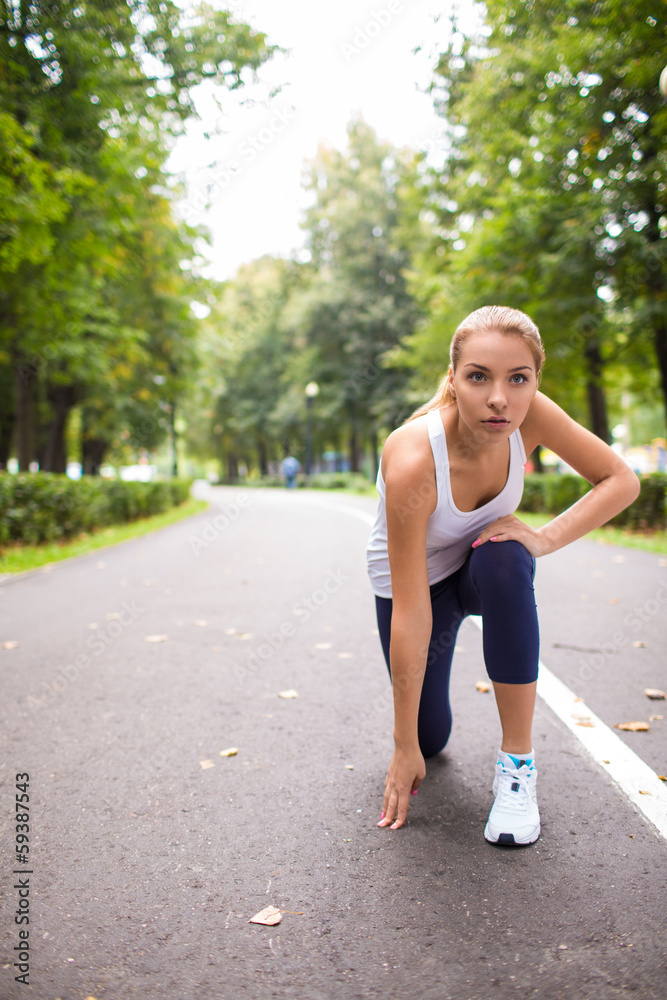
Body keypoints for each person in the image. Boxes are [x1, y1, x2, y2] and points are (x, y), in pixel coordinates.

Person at [366, 305, 640, 844]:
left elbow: (619, 479)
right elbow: (412, 611)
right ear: (453, 379)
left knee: (509, 557)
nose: (499, 398)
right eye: (478, 377)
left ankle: (518, 769)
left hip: (482, 562)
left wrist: (543, 538)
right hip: (418, 586)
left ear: (535, 380)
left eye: (518, 378)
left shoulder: (531, 413)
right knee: (430, 737)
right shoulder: (413, 457)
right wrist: (403, 745)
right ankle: (416, 735)